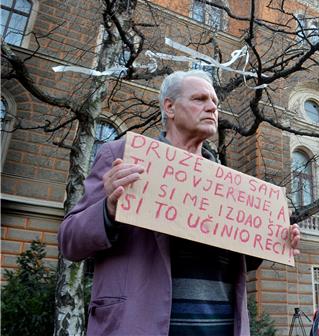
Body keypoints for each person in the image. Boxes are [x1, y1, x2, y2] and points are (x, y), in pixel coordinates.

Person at [58, 70, 301, 336]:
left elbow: (239, 263)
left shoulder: (229, 183)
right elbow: (70, 240)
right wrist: (108, 209)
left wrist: (274, 241)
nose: (212, 107)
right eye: (200, 99)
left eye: (215, 103)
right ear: (170, 107)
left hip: (219, 328)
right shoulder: (123, 156)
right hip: (140, 326)